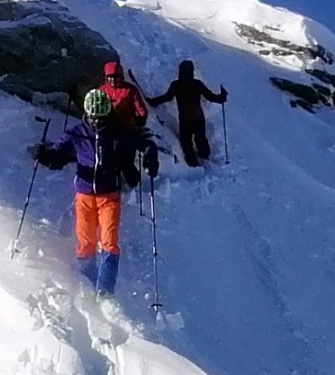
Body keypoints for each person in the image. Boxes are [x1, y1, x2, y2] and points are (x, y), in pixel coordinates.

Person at [32, 88, 160, 294]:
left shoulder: (117, 131)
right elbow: (57, 154)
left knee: (109, 242)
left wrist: (150, 154)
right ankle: (87, 282)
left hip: (109, 196)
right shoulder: (76, 133)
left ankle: (105, 291)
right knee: (85, 242)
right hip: (84, 196)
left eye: (102, 117)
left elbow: (144, 143)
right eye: (93, 117)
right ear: (87, 114)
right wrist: (44, 156)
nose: (97, 122)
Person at [148, 59, 228, 166]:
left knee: (186, 140)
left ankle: (192, 162)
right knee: (200, 137)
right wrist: (222, 97)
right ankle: (204, 154)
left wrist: (153, 101)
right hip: (198, 117)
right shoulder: (197, 84)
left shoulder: (176, 85)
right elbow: (210, 97)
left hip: (185, 118)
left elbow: (167, 97)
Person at [94, 61, 150, 129]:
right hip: (107, 126)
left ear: (121, 77)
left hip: (126, 126)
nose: (113, 79)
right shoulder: (101, 91)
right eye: (110, 76)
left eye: (116, 77)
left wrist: (141, 119)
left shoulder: (130, 90)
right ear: (106, 77)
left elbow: (140, 107)